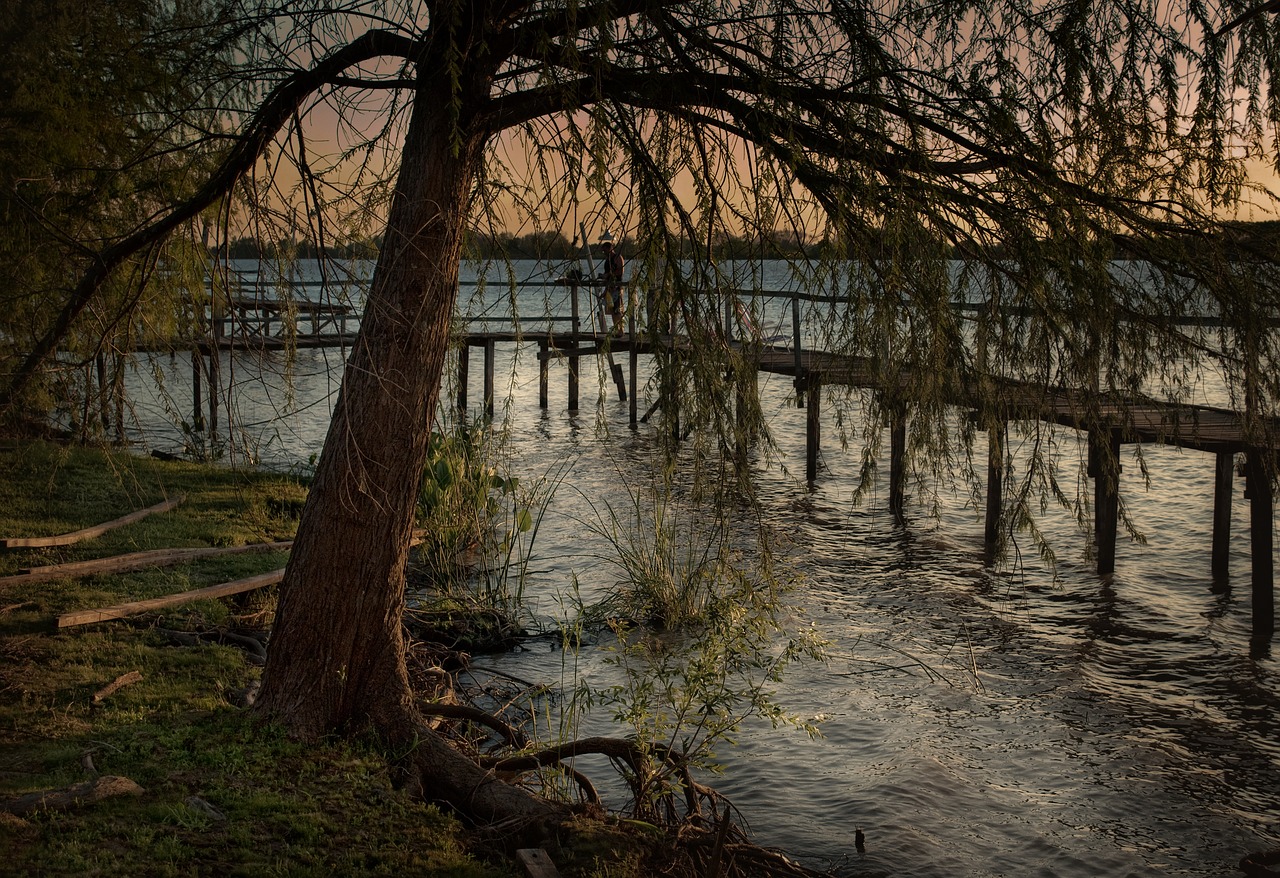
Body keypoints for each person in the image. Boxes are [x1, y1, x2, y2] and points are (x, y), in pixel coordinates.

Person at [599, 234, 625, 331]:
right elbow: (607, 276)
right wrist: (605, 292)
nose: (604, 252)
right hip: (609, 288)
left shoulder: (617, 257)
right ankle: (616, 328)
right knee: (612, 311)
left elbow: (619, 271)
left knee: (617, 310)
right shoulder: (607, 261)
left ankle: (621, 330)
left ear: (610, 248)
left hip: (617, 287)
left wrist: (609, 275)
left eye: (605, 250)